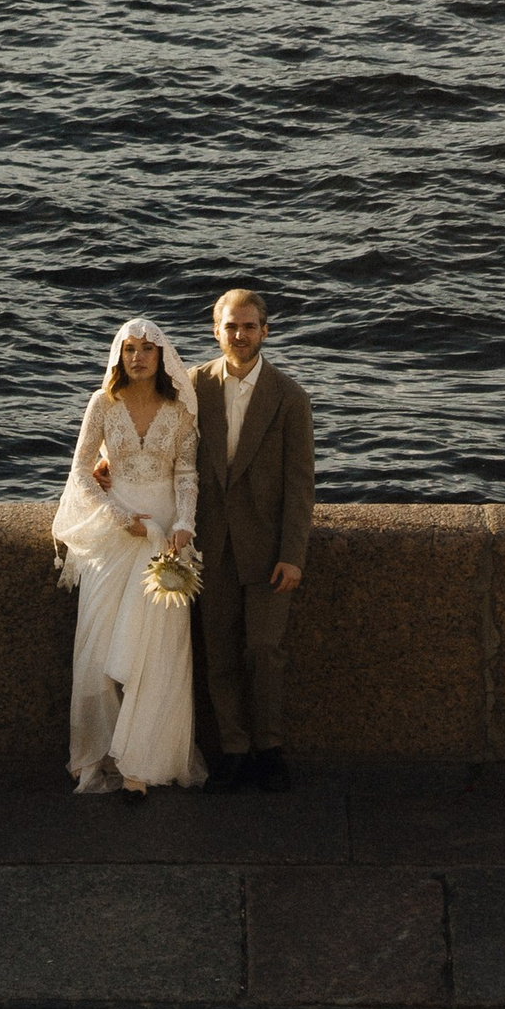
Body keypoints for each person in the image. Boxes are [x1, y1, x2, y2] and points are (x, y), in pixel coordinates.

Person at [52, 319, 205, 799]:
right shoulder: (103, 403)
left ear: (162, 358)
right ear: (118, 355)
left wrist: (185, 524)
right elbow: (80, 471)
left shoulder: (178, 411)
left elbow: (186, 472)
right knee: (97, 648)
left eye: (147, 350)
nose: (138, 357)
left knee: (154, 653)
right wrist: (121, 517)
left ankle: (144, 759)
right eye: (129, 349)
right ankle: (97, 755)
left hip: (165, 539)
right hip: (115, 534)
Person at [190, 287, 315, 792]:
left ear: (266, 331)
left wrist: (293, 556)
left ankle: (269, 747)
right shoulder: (193, 386)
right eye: (230, 326)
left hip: (266, 550)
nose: (239, 335)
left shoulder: (289, 397)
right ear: (215, 330)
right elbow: (142, 423)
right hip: (210, 545)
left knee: (263, 650)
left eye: (248, 326)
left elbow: (300, 484)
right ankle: (234, 750)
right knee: (217, 653)